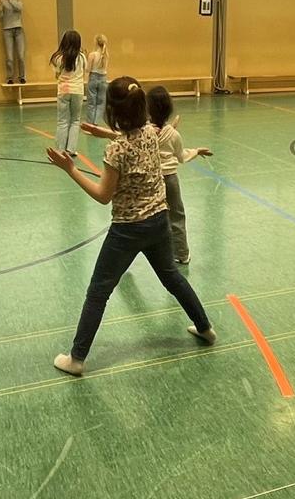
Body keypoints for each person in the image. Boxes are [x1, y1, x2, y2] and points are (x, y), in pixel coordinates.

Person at [47, 77, 215, 376]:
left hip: (127, 230)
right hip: (158, 221)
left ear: (112, 111)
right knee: (172, 277)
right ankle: (205, 328)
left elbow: (103, 196)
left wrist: (70, 169)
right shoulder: (151, 132)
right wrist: (104, 133)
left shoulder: (116, 151)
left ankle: (76, 358)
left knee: (98, 292)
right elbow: (131, 136)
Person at [147, 85, 211, 265]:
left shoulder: (144, 132)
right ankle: (182, 254)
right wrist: (196, 151)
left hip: (150, 180)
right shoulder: (174, 135)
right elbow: (181, 156)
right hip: (170, 179)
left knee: (145, 217)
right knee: (176, 216)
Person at [50, 30, 86, 153]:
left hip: (63, 90)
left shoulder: (58, 57)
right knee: (75, 120)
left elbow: (57, 74)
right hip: (78, 90)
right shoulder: (82, 57)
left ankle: (60, 149)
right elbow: (84, 71)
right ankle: (71, 149)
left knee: (62, 121)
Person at [0, 0, 26, 84]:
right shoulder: (2, 1)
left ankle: (22, 77)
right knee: (10, 57)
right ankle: (9, 78)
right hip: (7, 30)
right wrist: (0, 8)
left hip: (18, 29)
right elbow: (0, 16)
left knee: (21, 56)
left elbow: (19, 8)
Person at [85, 34, 110, 126]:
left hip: (93, 77)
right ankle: (96, 122)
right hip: (103, 78)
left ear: (96, 42)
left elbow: (87, 69)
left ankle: (90, 123)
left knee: (91, 102)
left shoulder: (92, 55)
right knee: (101, 103)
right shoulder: (106, 55)